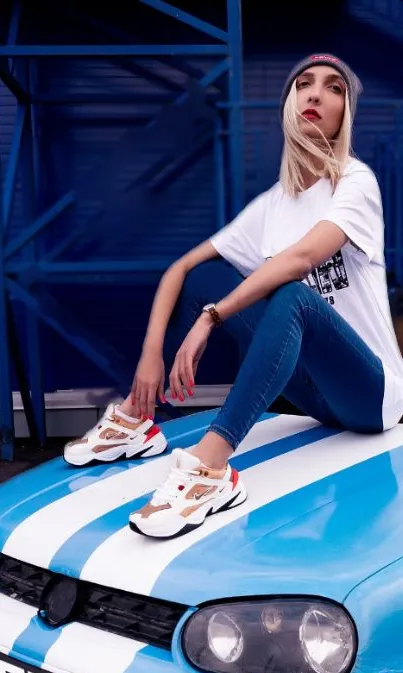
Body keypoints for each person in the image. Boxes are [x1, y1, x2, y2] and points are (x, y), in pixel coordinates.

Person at [64, 54, 403, 540]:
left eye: (333, 88)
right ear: (288, 104)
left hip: (372, 397)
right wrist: (150, 357)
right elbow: (179, 268)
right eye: (303, 84)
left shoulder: (355, 182)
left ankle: (210, 470)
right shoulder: (272, 205)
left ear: (344, 111)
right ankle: (139, 416)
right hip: (315, 395)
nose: (314, 94)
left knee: (292, 297)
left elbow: (305, 256)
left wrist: (213, 318)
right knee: (201, 277)